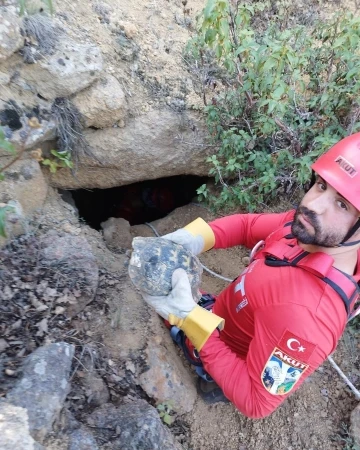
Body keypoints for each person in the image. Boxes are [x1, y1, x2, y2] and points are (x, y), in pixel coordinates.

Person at [138, 132, 360, 419]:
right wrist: (196, 236)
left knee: (159, 302)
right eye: (320, 186)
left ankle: (211, 382)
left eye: (342, 204)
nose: (313, 205)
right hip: (229, 314)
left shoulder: (308, 320)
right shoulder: (314, 231)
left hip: (226, 348)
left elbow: (256, 403)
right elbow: (248, 225)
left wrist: (189, 318)